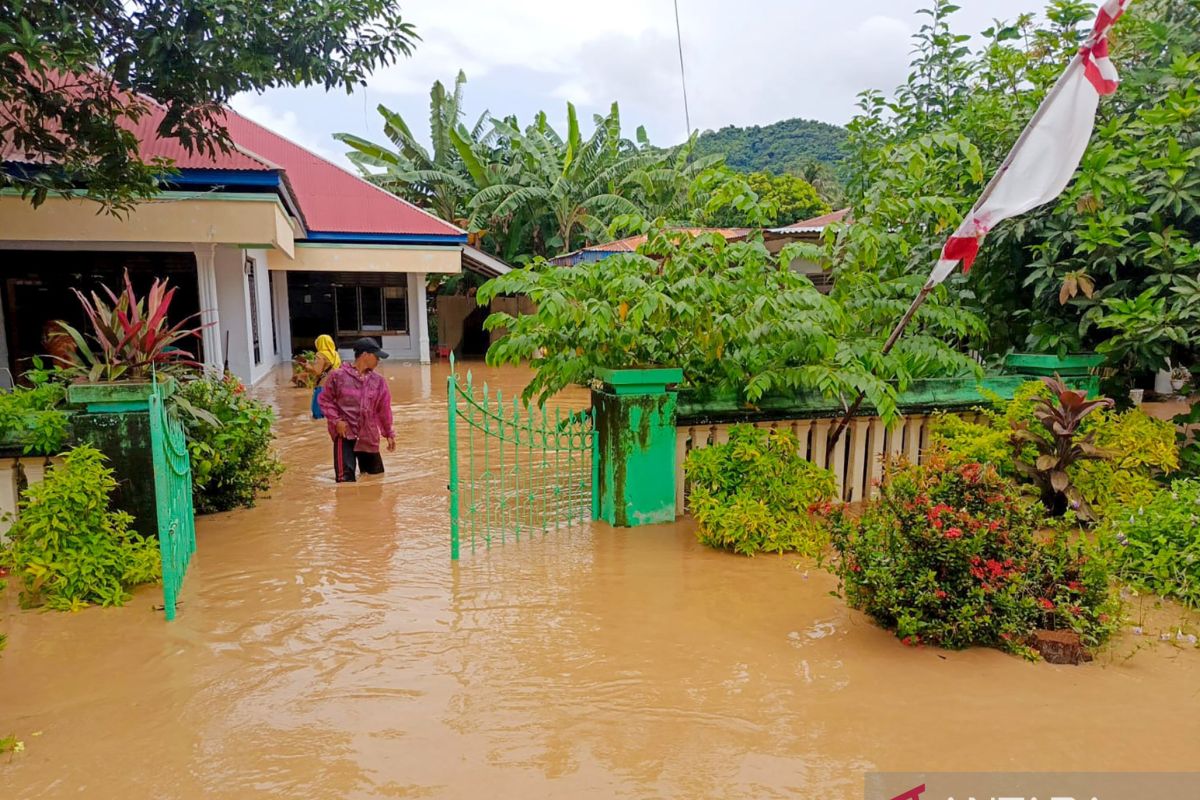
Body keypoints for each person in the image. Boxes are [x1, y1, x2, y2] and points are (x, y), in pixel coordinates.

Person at [317, 337, 396, 483]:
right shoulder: (338, 376)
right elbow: (325, 400)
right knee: (344, 482)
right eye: (376, 357)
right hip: (345, 435)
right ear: (365, 355)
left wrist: (389, 433)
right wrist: (336, 421)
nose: (378, 361)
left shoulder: (378, 382)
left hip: (368, 435)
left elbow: (383, 409)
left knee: (375, 478)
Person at [307, 334, 341, 419]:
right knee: (331, 412)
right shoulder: (336, 354)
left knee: (317, 414)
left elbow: (317, 371)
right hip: (334, 386)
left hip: (323, 386)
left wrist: (308, 367)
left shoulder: (320, 355)